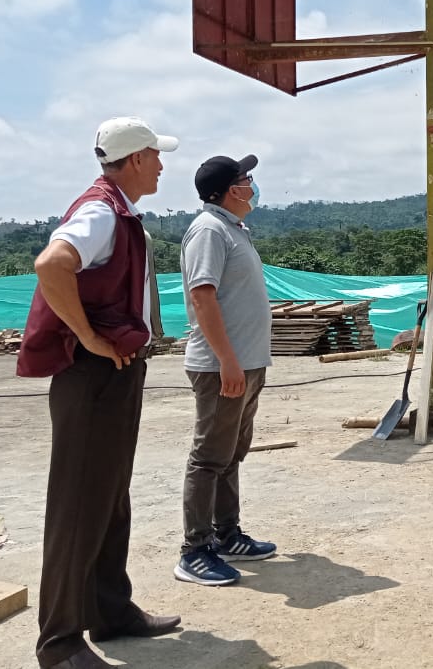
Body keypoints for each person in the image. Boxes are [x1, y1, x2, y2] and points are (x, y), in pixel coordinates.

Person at [18, 117, 182, 669]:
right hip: (92, 374)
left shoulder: (120, 211)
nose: (161, 165)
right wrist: (87, 336)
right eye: (155, 155)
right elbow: (51, 265)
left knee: (109, 495)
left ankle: (110, 610)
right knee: (78, 505)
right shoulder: (101, 211)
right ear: (134, 159)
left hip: (114, 372)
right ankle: (60, 644)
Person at [174, 153, 277, 587]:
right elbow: (203, 296)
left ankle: (226, 534)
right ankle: (194, 551)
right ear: (231, 190)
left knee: (230, 454)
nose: (252, 185)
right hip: (223, 367)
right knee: (209, 458)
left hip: (246, 364)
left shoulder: (233, 229)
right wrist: (227, 361)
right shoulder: (209, 231)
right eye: (246, 179)